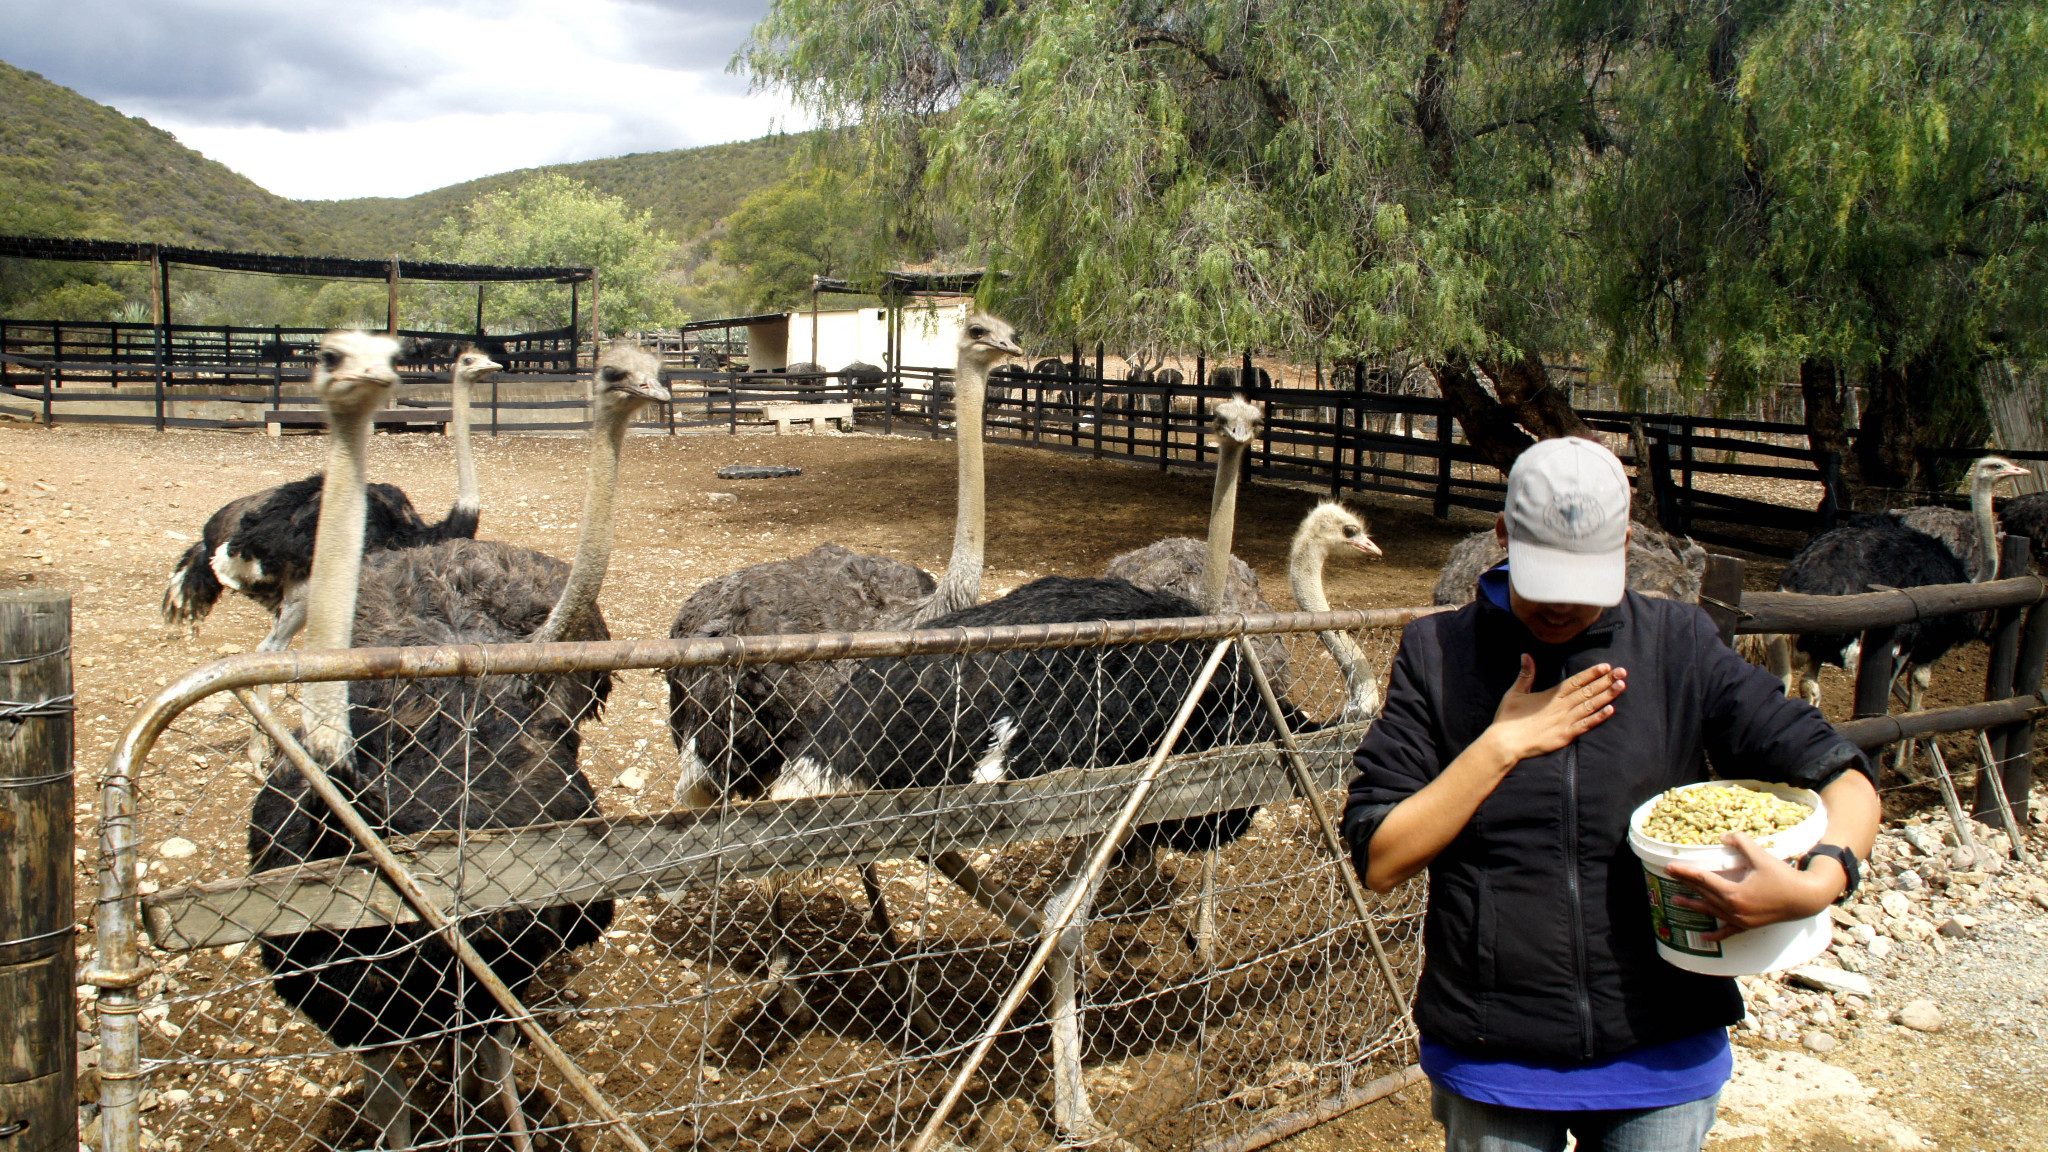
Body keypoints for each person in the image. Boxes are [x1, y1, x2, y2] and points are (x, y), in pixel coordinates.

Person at [1342, 436, 1880, 1152]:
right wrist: (1501, 746)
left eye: (1584, 578)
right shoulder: (1439, 655)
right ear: (1500, 536)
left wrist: (1819, 884)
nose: (1562, 606)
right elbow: (1381, 859)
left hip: (1662, 1050)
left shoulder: (1678, 645)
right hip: (1494, 1055)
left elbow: (1843, 776)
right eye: (1544, 578)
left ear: (1624, 541)